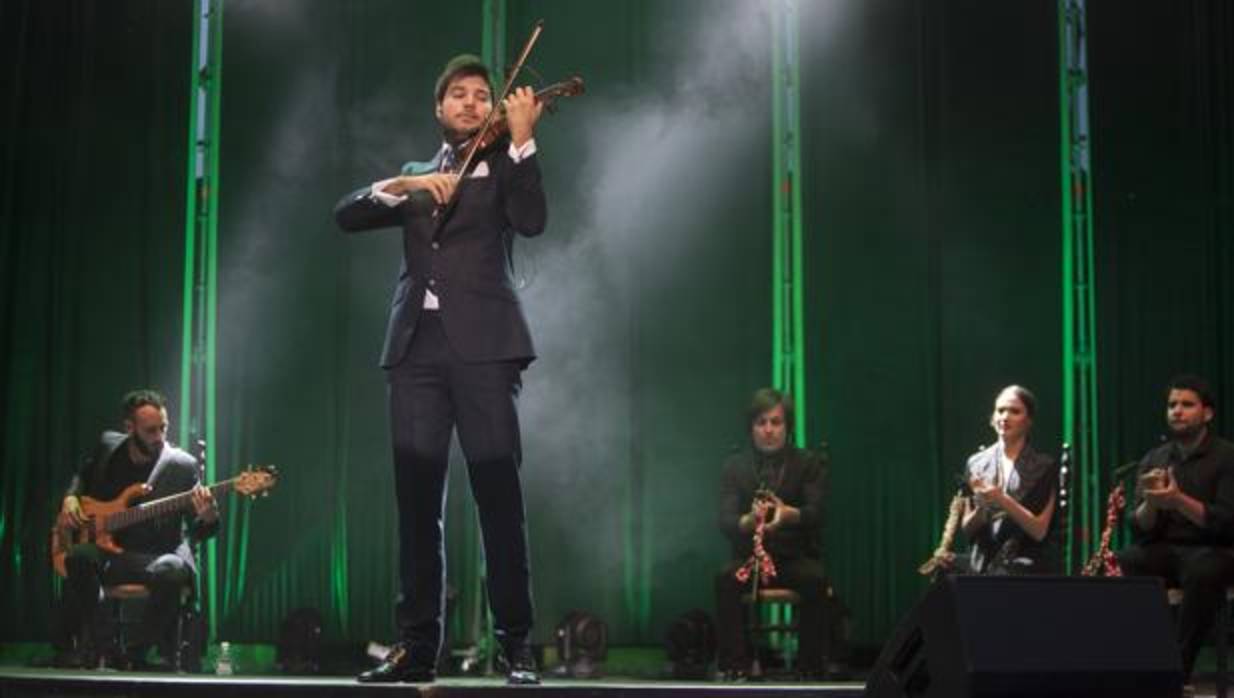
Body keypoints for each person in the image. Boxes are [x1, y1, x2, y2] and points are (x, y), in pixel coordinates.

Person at [334, 54, 545, 685]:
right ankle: (416, 648)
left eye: (484, 96)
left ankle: (517, 647)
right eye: (460, 94)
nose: (474, 103)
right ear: (439, 107)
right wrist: (405, 186)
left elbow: (533, 222)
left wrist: (526, 137)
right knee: (417, 506)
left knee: (498, 501)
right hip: (416, 351)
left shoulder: (505, 167)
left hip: (484, 349)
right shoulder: (417, 175)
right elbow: (347, 214)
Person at [54, 389, 218, 668]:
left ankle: (135, 653)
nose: (159, 437)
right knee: (77, 557)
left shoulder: (181, 465)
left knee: (173, 571)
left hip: (155, 555)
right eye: (150, 430)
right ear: (129, 428)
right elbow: (82, 474)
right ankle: (106, 645)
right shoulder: (108, 445)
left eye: (163, 428)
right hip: (111, 553)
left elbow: (199, 531)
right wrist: (70, 497)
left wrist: (209, 516)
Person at [1117, 374, 1234, 683]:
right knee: (1127, 559)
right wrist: (1153, 503)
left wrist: (1179, 500)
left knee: (1203, 572)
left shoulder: (1226, 456)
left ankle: (1177, 672)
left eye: (1186, 405)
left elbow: (1227, 522)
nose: (1177, 411)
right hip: (1168, 550)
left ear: (1207, 413)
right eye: (1172, 405)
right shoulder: (1155, 458)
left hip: (1215, 549)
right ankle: (1144, 657)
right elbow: (1139, 528)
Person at [714, 388, 830, 680]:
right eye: (761, 422)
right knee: (725, 580)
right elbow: (725, 520)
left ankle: (810, 668)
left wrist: (789, 514)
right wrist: (747, 522)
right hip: (750, 560)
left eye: (775, 422)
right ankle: (735, 666)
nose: (768, 430)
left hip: (792, 558)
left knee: (816, 580)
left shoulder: (808, 463)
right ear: (751, 427)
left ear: (787, 427)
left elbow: (817, 513)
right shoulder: (735, 466)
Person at [961, 384, 1060, 575]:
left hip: (1025, 563)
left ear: (1028, 420)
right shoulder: (976, 463)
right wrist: (982, 509)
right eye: (1000, 411)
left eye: (1014, 411)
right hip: (982, 563)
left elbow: (1039, 531)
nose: (1005, 417)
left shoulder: (1044, 466)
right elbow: (967, 529)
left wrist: (1001, 499)